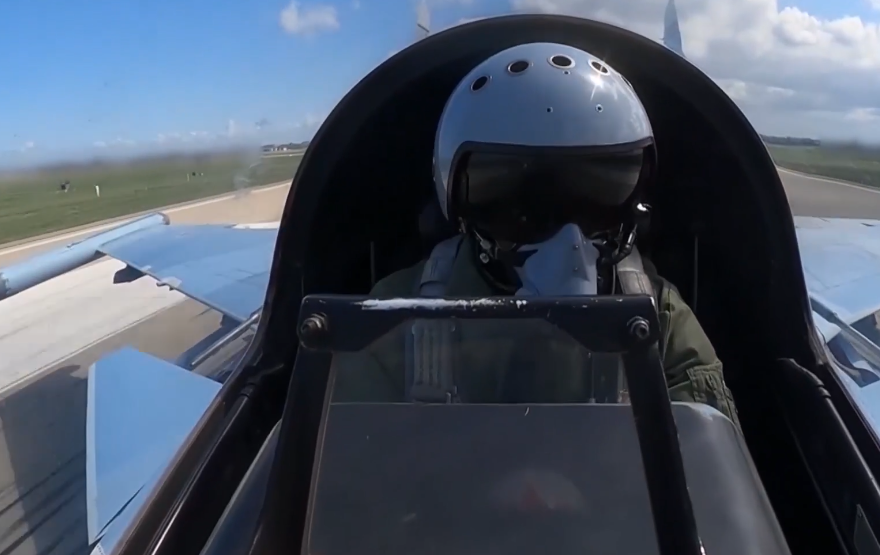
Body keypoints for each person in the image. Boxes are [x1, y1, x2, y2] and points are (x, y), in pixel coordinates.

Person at [332, 42, 740, 428]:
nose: (568, 239)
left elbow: (702, 464)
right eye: (523, 207)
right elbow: (357, 465)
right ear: (460, 205)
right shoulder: (397, 318)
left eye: (596, 199)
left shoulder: (660, 317)